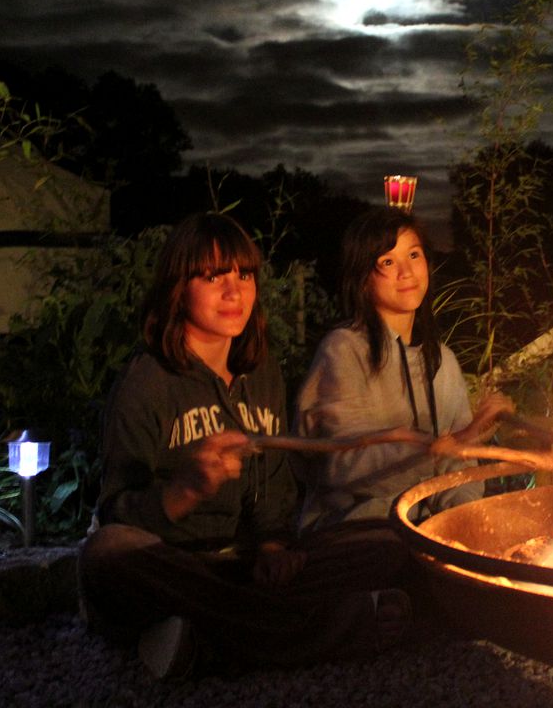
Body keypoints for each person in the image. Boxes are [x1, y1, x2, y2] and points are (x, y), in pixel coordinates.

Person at [78, 212, 410, 679]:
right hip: (177, 566)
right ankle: (329, 627)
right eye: (213, 277)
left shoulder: (261, 372)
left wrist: (273, 546)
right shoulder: (146, 382)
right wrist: (184, 490)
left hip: (241, 565)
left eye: (245, 275)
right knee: (108, 554)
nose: (234, 292)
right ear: (178, 289)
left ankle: (203, 641)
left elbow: (274, 487)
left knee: (385, 541)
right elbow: (117, 511)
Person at [295, 207, 510, 534]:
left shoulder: (443, 362)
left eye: (413, 255)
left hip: (423, 533)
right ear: (362, 279)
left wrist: (465, 523)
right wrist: (446, 446)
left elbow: (459, 469)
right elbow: (344, 467)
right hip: (354, 532)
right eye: (387, 262)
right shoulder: (343, 350)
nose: (406, 272)